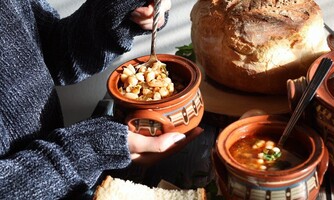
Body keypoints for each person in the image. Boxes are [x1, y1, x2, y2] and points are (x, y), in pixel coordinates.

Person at [0, 0, 203, 199]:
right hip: (69, 168)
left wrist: (122, 9)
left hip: (73, 173)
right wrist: (91, 150)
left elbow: (50, 50)